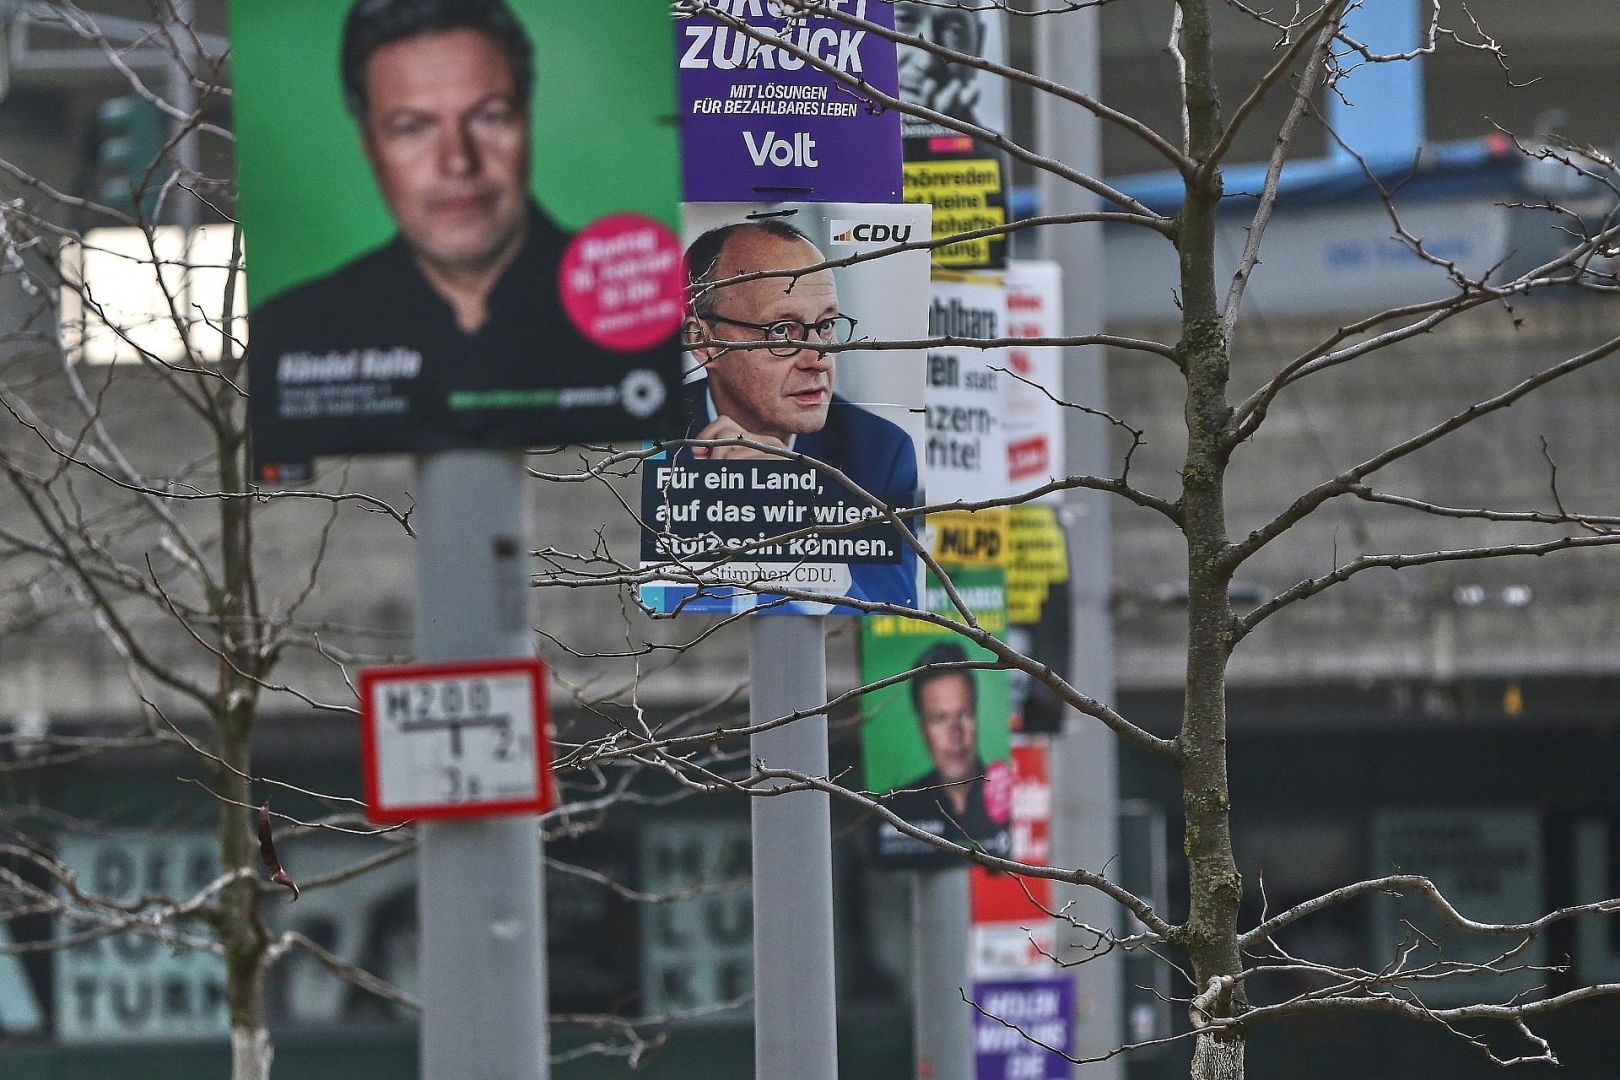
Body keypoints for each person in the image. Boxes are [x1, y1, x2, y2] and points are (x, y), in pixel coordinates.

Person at [247, 0, 671, 478]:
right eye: (413, 127)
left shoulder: (649, 313)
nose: (458, 161)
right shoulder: (292, 333)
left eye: (489, 117)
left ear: (526, 120)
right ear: (370, 147)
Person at [676, 219, 919, 608]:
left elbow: (888, 613)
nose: (818, 358)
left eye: (825, 326)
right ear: (703, 341)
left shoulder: (878, 453)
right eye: (782, 332)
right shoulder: (650, 441)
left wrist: (786, 508)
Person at [880, 642, 1009, 858]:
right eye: (940, 719)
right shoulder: (896, 810)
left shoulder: (1007, 796)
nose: (955, 732)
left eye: (964, 714)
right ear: (922, 728)